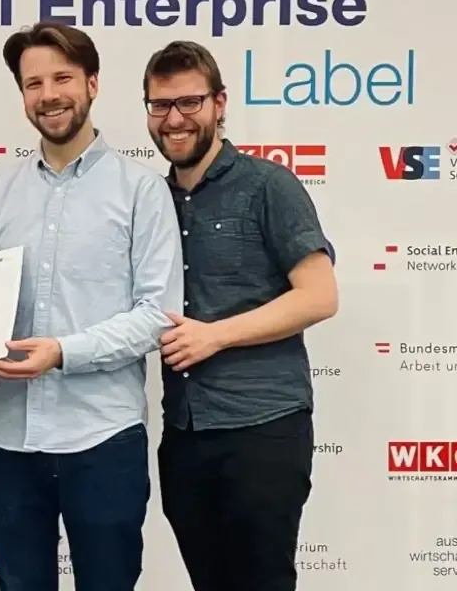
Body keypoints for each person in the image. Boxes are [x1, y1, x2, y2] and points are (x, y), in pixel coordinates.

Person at [0, 21, 184, 591]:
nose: (48, 95)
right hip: (7, 440)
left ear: (92, 83)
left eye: (62, 78)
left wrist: (63, 352)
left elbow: (156, 315)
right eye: (33, 83)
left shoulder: (141, 190)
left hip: (102, 440)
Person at [144, 40, 339, 591]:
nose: (175, 119)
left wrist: (216, 337)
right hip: (185, 432)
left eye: (190, 102)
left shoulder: (268, 185)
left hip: (263, 428)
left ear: (219, 103)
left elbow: (319, 295)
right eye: (161, 105)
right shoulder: (151, 201)